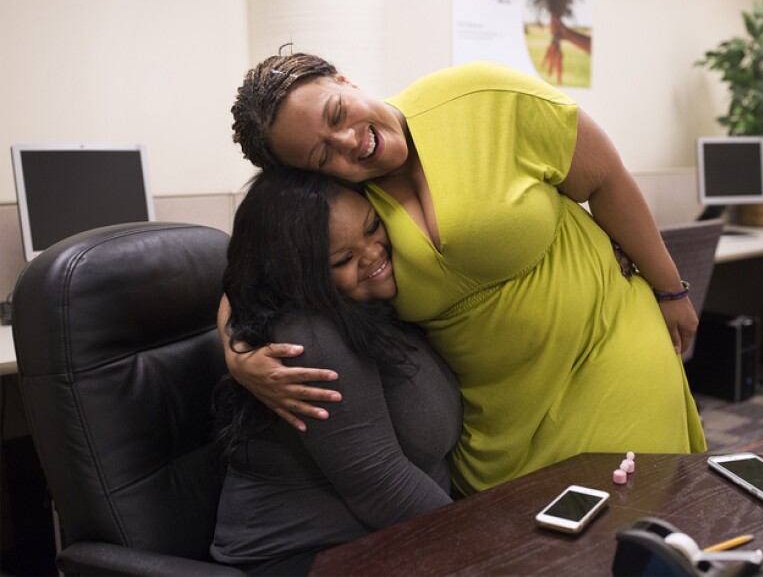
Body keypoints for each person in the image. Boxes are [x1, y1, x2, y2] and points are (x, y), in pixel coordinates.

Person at [223, 51, 707, 495]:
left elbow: (606, 179)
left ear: (344, 80)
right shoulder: (337, 203)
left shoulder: (481, 96)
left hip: (608, 343)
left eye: (336, 113)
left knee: (629, 524)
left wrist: (671, 291)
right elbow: (250, 274)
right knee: (524, 550)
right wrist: (237, 355)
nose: (349, 141)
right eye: (322, 154)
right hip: (498, 414)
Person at [210, 167, 462, 575]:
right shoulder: (307, 336)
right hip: (306, 561)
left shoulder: (373, 303)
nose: (373, 253)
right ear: (300, 276)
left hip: (387, 541)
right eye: (343, 258)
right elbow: (380, 484)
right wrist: (489, 544)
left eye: (373, 227)